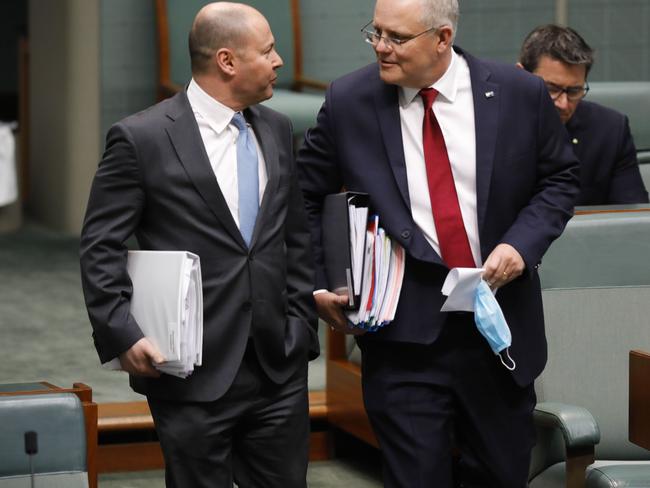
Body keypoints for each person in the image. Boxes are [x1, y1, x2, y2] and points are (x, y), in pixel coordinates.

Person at [296, 0, 579, 486]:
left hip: (499, 332)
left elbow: (559, 180)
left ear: (442, 38)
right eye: (376, 33)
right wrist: (324, 280)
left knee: (500, 474)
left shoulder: (518, 93)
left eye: (396, 38)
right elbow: (303, 197)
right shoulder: (350, 100)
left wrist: (520, 245)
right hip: (403, 336)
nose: (381, 48)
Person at [80, 3, 318, 487]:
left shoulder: (275, 129)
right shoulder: (140, 138)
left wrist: (301, 324)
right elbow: (100, 246)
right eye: (268, 51)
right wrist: (122, 332)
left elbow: (295, 234)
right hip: (191, 370)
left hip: (278, 365)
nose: (279, 62)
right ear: (227, 61)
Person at [519, 24, 649, 205]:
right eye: (551, 88)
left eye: (574, 91)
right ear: (520, 75)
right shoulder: (488, 124)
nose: (563, 104)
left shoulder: (610, 130)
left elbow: (632, 218)